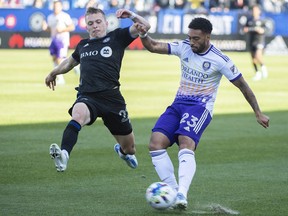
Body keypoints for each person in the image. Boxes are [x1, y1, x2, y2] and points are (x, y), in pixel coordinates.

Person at [134, 17, 269, 210]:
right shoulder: (184, 47)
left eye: (196, 38)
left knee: (185, 142)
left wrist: (258, 112)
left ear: (207, 36)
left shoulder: (220, 60)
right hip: (178, 104)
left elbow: (243, 85)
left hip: (200, 107)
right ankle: (173, 192)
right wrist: (143, 34)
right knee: (155, 144)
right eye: (189, 37)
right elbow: (153, 46)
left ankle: (182, 194)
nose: (192, 42)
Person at [45, 7, 150, 172]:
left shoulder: (117, 37)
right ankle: (64, 155)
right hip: (88, 96)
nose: (95, 26)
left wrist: (131, 15)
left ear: (106, 23)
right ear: (86, 27)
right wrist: (53, 73)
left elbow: (146, 25)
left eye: (98, 22)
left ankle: (123, 153)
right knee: (78, 115)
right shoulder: (83, 45)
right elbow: (68, 63)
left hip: (112, 99)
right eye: (91, 23)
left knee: (130, 148)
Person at [43, 0, 75, 85]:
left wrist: (62, 30)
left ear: (61, 7)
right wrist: (45, 28)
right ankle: (75, 64)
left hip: (62, 40)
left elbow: (72, 27)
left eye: (57, 6)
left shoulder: (65, 16)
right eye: (54, 6)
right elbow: (50, 29)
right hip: (54, 39)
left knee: (59, 58)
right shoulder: (50, 17)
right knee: (54, 58)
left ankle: (60, 79)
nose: (55, 8)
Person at [243, 4, 268, 81]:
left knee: (258, 55)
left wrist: (262, 30)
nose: (254, 12)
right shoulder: (249, 20)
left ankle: (263, 68)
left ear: (259, 11)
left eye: (256, 10)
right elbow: (245, 28)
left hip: (259, 40)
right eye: (253, 10)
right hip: (252, 40)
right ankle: (257, 73)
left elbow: (266, 29)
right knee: (253, 58)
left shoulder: (262, 20)